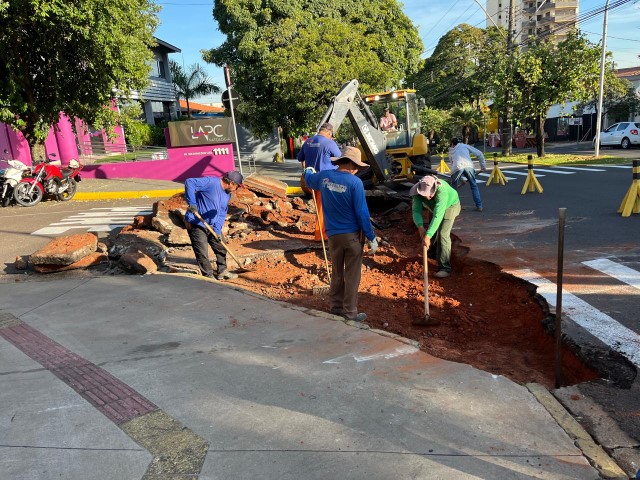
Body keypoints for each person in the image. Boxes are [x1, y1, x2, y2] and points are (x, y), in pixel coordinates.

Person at [303, 146, 378, 322]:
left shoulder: (324, 177)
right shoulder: (355, 183)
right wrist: (371, 236)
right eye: (357, 167)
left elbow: (309, 180)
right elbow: (362, 213)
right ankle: (350, 313)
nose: (357, 170)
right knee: (352, 276)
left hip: (333, 236)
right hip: (352, 236)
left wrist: (308, 171)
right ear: (352, 165)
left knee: (337, 272)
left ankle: (335, 308)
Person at [184, 171, 244, 281]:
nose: (237, 189)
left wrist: (217, 230)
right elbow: (189, 182)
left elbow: (222, 213)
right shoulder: (211, 182)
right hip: (197, 222)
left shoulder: (227, 194)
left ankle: (222, 271)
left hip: (212, 225)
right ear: (231, 183)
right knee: (202, 251)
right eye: (237, 186)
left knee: (221, 246)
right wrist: (192, 203)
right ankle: (208, 276)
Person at [297, 123, 341, 241]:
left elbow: (300, 158)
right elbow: (340, 159)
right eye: (331, 135)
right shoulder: (329, 143)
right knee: (324, 208)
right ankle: (321, 235)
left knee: (320, 206)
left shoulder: (308, 142)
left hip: (311, 180)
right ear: (329, 133)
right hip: (326, 180)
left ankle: (323, 232)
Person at [410, 175, 461, 278]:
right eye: (424, 195)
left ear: (434, 188)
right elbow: (416, 211)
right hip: (433, 207)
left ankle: (444, 268)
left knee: (442, 234)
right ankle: (432, 255)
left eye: (429, 194)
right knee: (430, 230)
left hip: (450, 206)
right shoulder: (417, 192)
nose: (427, 197)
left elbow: (438, 215)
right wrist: (420, 228)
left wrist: (427, 236)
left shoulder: (442, 192)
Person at [448, 138, 487, 212]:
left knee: (453, 189)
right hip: (468, 166)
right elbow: (479, 153)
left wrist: (461, 179)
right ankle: (479, 206)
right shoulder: (464, 146)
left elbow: (453, 165)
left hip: (457, 167)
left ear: (452, 144)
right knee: (474, 186)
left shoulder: (451, 151)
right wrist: (483, 166)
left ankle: (455, 206)